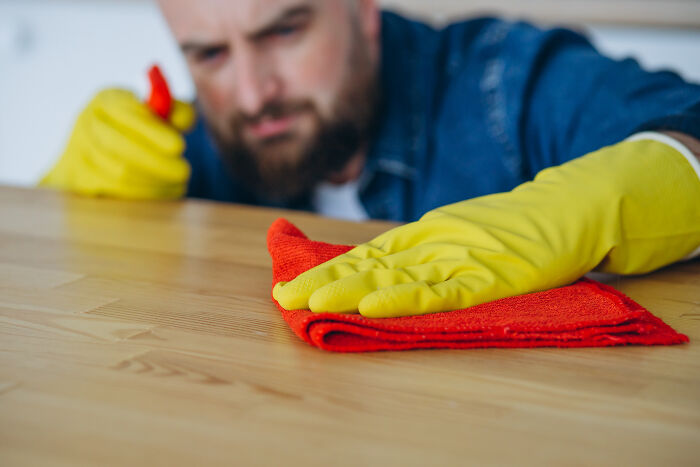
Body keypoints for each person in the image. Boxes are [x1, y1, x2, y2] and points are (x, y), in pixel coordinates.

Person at [40, 0, 700, 318]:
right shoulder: (195, 143)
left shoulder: (508, 83)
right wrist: (69, 191)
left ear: (362, 10)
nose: (251, 93)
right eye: (209, 54)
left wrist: (610, 196)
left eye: (285, 31)